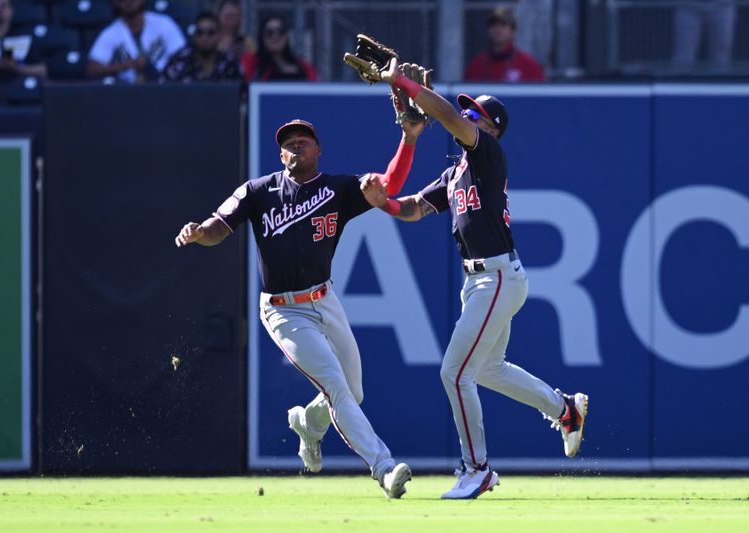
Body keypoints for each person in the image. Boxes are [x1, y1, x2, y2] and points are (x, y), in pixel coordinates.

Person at [360, 58, 587, 500]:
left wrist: (402, 82)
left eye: (476, 114)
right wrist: (380, 202)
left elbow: (445, 116)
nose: (466, 116)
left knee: (454, 372)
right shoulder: (456, 172)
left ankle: (477, 469)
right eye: (466, 111)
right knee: (486, 369)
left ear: (492, 129)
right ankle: (566, 412)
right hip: (483, 281)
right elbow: (412, 209)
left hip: (497, 275)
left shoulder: (486, 153)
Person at [174, 117, 424, 498]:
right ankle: (384, 468)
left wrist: (408, 138)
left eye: (303, 141)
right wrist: (198, 232)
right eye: (289, 143)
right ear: (280, 154)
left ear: (318, 150)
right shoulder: (258, 191)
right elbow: (218, 226)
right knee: (336, 385)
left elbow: (389, 184)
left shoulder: (338, 188)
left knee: (352, 392)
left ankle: (308, 424)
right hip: (283, 310)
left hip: (324, 299)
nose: (295, 147)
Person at [86, 0, 186, 84]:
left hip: (167, 86)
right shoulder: (111, 32)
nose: (129, 1)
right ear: (115, 2)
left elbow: (184, 56)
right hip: (129, 92)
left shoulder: (164, 23)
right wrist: (126, 65)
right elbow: (92, 69)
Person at [463, 6, 545, 82]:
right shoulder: (475, 66)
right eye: (493, 25)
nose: (498, 29)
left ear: (513, 31)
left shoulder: (529, 66)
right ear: (487, 30)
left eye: (503, 25)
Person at [161, 12, 243, 83]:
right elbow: (163, 91)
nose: (205, 37)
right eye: (200, 32)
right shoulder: (179, 61)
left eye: (210, 32)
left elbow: (242, 94)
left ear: (219, 35)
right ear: (194, 36)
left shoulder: (229, 63)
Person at [241, 16, 317, 82]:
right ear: (262, 37)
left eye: (280, 31)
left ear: (286, 36)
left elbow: (315, 89)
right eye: (269, 32)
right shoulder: (252, 63)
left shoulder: (303, 66)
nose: (275, 36)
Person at [672, 0, 736, 73]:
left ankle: (720, 82)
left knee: (721, 56)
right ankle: (681, 83)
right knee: (684, 56)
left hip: (722, 5)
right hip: (688, 5)